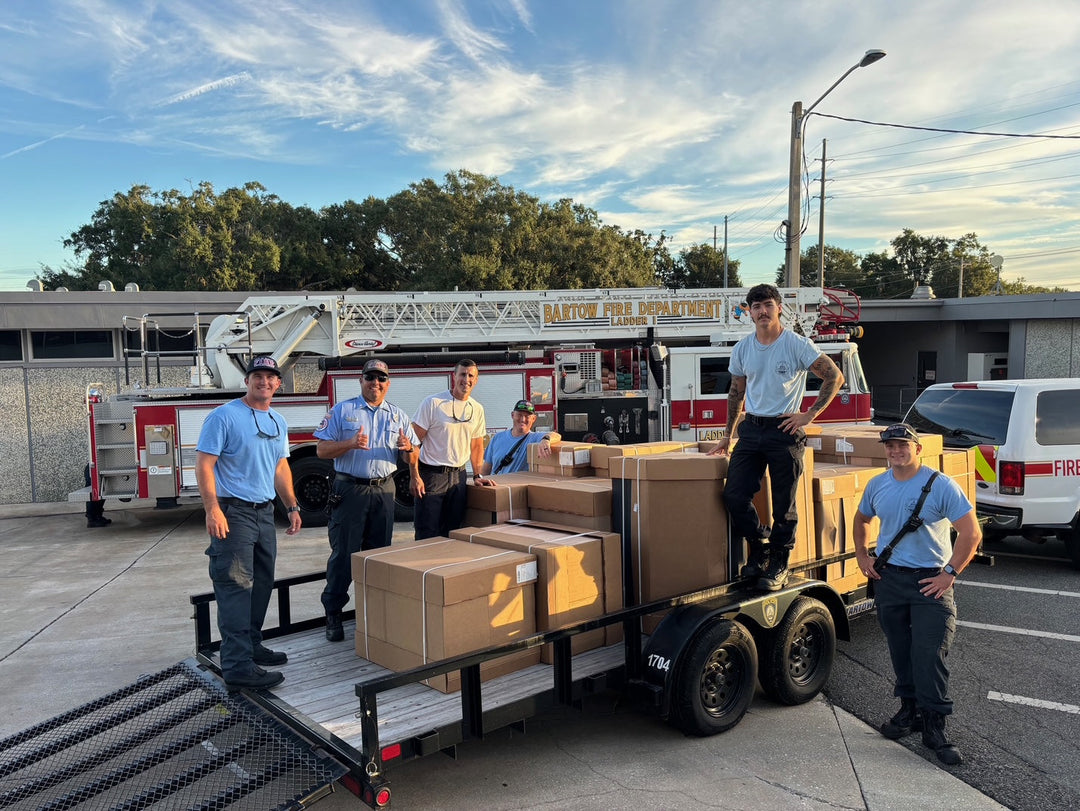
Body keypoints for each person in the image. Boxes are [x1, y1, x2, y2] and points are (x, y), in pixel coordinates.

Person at [853, 422, 981, 766]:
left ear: (917, 449)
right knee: (901, 651)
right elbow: (862, 519)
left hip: (930, 582)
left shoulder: (940, 486)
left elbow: (971, 533)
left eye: (902, 445)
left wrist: (949, 574)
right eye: (890, 446)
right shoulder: (877, 484)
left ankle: (935, 724)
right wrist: (863, 555)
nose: (895, 451)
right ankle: (909, 711)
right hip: (890, 580)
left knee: (929, 654)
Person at [708, 283, 844, 591]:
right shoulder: (743, 348)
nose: (762, 311)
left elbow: (834, 376)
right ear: (750, 313)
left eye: (767, 305)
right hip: (752, 430)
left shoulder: (796, 344)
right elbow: (735, 393)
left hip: (784, 431)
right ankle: (759, 547)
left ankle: (780, 562)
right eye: (755, 307)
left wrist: (808, 416)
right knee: (734, 495)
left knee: (784, 504)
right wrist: (727, 437)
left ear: (778, 308)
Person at [195, 356, 302, 691]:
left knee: (261, 584)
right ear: (248, 381)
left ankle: (252, 645)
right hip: (234, 513)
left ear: (278, 384)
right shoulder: (224, 417)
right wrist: (213, 510)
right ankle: (238, 665)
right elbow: (204, 465)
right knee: (236, 586)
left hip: (264, 513)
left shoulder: (277, 421)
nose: (264, 382)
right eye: (258, 376)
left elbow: (280, 468)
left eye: (271, 378)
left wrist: (293, 505)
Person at [315, 359, 419, 642]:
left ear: (388, 383)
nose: (376, 383)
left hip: (384, 492)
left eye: (381, 378)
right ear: (360, 381)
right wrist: (349, 444)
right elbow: (322, 450)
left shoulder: (397, 416)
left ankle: (373, 612)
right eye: (370, 377)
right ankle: (334, 613)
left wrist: (408, 449)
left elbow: (412, 456)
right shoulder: (342, 411)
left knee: (379, 556)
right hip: (350, 491)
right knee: (344, 555)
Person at [411, 359, 494, 539]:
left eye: (471, 375)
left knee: (454, 532)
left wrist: (478, 475)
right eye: (462, 374)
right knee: (428, 533)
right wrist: (415, 476)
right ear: (454, 376)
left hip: (459, 477)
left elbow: (477, 445)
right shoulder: (433, 403)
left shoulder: (477, 409)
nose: (467, 379)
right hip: (432, 476)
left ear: (476, 380)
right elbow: (413, 442)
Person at [480, 399, 560, 476]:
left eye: (527, 416)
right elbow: (486, 468)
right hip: (496, 487)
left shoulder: (535, 438)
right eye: (519, 415)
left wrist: (546, 440)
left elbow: (556, 435)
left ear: (533, 419)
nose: (523, 419)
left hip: (517, 488)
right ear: (512, 415)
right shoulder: (497, 438)